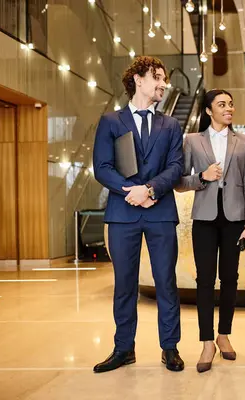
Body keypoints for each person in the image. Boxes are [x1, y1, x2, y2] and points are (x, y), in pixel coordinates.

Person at [92, 56, 184, 373]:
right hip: (122, 214)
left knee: (166, 282)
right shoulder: (111, 122)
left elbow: (176, 167)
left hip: (160, 213)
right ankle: (123, 349)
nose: (162, 84)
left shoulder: (171, 125)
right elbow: (101, 168)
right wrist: (131, 191)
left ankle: (170, 348)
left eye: (163, 78)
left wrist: (150, 190)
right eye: (156, 77)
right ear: (138, 80)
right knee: (124, 285)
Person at [175, 89, 245, 373]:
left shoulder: (244, 142)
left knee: (230, 278)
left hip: (235, 219)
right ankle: (207, 341)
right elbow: (179, 182)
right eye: (222, 104)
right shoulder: (192, 141)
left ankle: (224, 335)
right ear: (208, 111)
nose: (229, 108)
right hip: (205, 219)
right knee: (205, 280)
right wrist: (202, 177)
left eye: (230, 104)